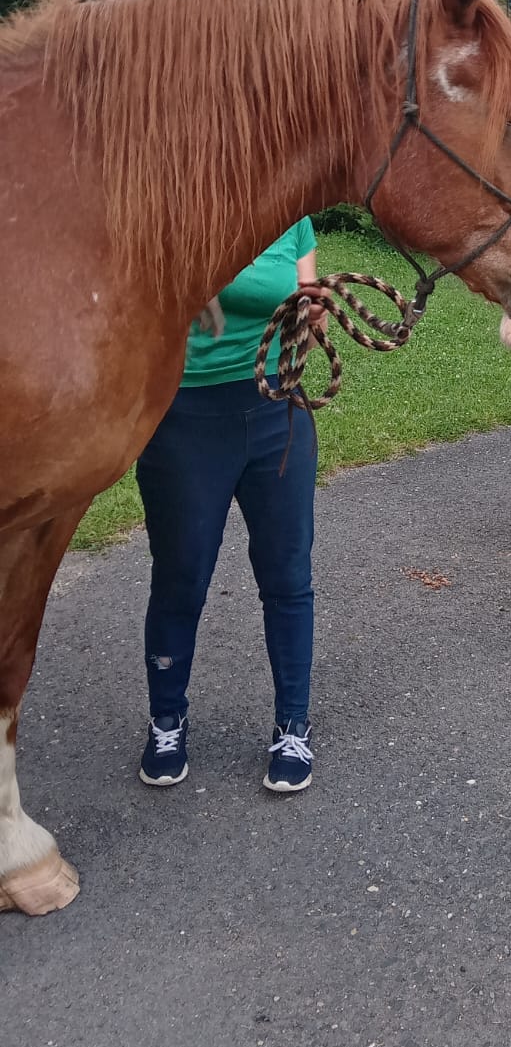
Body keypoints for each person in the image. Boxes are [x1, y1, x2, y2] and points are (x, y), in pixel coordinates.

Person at [136, 219, 325, 795]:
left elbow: (305, 300)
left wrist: (311, 316)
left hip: (276, 413)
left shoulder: (293, 221)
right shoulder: (174, 208)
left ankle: (293, 723)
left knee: (288, 577)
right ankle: (166, 719)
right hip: (183, 419)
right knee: (181, 578)